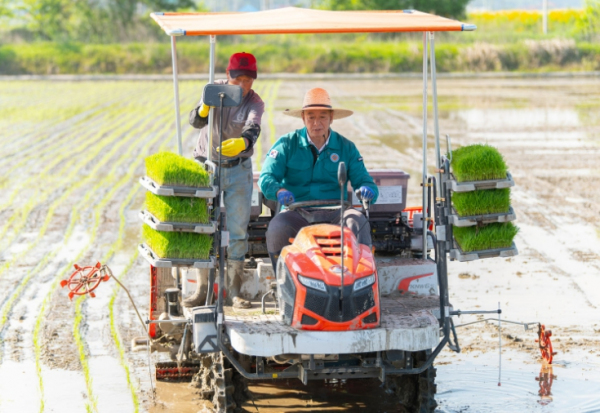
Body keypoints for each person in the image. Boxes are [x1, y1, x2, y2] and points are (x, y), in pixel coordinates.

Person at [258, 87, 378, 267]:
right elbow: (266, 177)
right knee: (278, 227)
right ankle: (283, 282)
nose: (316, 123)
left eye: (322, 116)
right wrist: (279, 191)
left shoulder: (347, 147)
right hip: (296, 212)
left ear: (331, 118)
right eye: (311, 117)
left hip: (338, 212)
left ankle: (359, 279)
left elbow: (365, 181)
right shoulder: (286, 144)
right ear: (303, 118)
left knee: (357, 221)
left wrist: (368, 190)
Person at [187, 52, 265, 309]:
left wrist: (243, 142)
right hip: (207, 166)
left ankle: (234, 290)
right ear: (228, 76)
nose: (243, 85)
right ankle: (202, 288)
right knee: (202, 226)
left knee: (238, 230)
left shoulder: (255, 102)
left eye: (248, 80)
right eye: (238, 79)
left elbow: (253, 127)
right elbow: (195, 121)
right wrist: (204, 108)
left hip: (238, 169)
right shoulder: (214, 90)